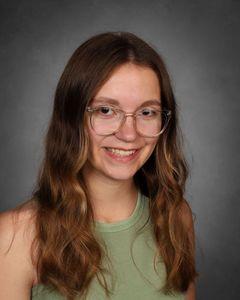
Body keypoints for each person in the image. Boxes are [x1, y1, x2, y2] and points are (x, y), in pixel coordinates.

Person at [0, 31, 198, 300]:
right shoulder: (14, 238)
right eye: (106, 110)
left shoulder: (176, 219)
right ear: (72, 117)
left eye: (146, 112)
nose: (129, 133)